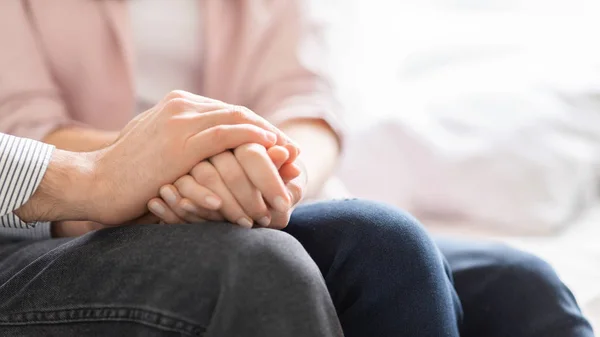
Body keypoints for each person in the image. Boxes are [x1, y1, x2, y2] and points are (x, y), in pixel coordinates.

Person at [0, 1, 593, 336]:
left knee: (523, 283)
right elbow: (23, 127)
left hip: (254, 197)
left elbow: (307, 106)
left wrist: (264, 174)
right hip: (81, 213)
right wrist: (162, 165)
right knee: (387, 245)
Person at [0, 100, 344, 337]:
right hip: (26, 223)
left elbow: (306, 101)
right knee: (259, 266)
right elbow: (20, 117)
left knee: (374, 239)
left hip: (234, 189)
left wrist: (271, 173)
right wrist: (101, 175)